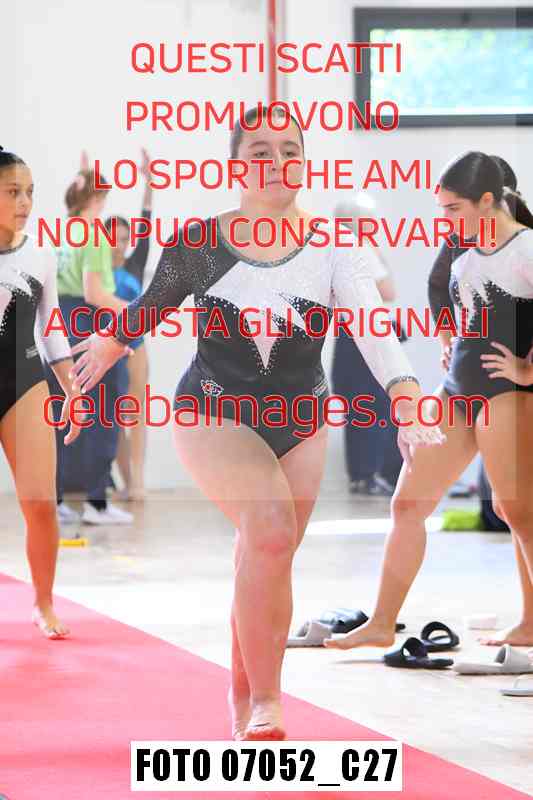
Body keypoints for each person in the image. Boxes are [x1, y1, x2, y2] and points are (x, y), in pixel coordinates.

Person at [68, 107, 444, 740]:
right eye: (260, 151)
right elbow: (149, 307)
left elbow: (376, 335)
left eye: (290, 150)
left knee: (268, 555)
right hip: (212, 411)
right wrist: (101, 354)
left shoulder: (335, 246)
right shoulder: (198, 241)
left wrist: (406, 399)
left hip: (301, 419)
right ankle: (268, 700)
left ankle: (243, 689)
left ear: (305, 163)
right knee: (269, 530)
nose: (276, 162)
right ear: (235, 164)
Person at [324, 150, 533, 652]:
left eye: (453, 208)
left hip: (505, 392)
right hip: (458, 389)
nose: (445, 220)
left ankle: (531, 622)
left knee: (517, 511)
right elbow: (438, 286)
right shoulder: (462, 240)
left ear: (488, 201)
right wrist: (445, 335)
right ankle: (381, 622)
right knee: (407, 504)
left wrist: (528, 370)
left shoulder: (526, 248)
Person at [0, 145, 83, 638]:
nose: (25, 202)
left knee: (40, 502)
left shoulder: (39, 254)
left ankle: (43, 602)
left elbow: (51, 328)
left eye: (29, 192)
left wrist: (72, 389)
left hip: (23, 380)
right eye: (13, 192)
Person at [49, 156, 134, 525]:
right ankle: (97, 503)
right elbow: (95, 293)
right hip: (88, 324)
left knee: (62, 412)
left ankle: (57, 502)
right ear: (97, 199)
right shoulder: (95, 234)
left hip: (57, 327)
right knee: (103, 412)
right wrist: (135, 311)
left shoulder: (60, 233)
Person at [331, 196, 404, 496]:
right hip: (370, 335)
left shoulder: (335, 248)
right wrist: (376, 252)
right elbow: (389, 290)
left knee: (359, 404)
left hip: (349, 334)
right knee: (377, 404)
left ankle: (363, 475)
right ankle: (378, 473)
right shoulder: (361, 247)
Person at [105, 148, 152, 502]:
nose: (120, 244)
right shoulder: (94, 268)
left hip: (135, 348)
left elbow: (146, 223)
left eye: (124, 238)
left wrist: (149, 183)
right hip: (108, 348)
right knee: (114, 417)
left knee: (136, 415)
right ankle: (124, 481)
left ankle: (138, 481)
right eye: (114, 238)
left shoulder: (135, 263)